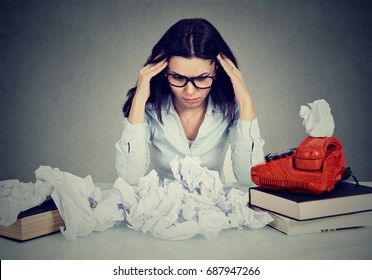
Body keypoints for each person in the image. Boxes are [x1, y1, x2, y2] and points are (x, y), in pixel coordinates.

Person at [115, 18, 265, 186]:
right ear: (164, 71)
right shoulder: (149, 109)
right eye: (178, 77)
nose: (190, 91)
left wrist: (246, 102)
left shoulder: (231, 108)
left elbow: (250, 179)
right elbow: (129, 178)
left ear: (217, 70)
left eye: (202, 78)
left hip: (213, 208)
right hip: (160, 207)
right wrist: (140, 99)